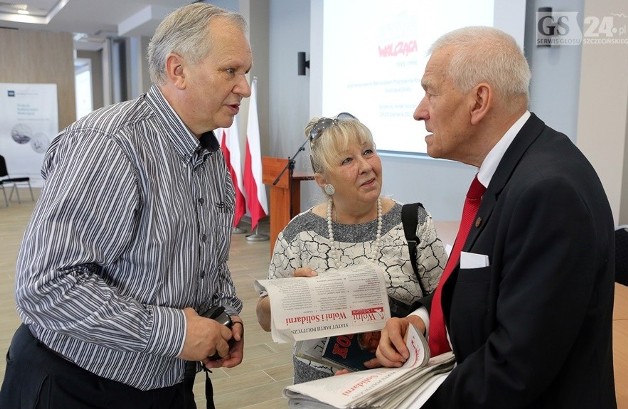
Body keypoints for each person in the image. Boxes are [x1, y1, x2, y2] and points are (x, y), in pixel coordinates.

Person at [0, 3, 251, 409]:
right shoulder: (110, 144)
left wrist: (224, 316)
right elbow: (44, 284)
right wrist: (176, 334)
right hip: (75, 386)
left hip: (166, 383)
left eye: (246, 72)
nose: (245, 87)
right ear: (177, 70)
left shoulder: (209, 155)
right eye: (230, 71)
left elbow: (207, 257)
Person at [375, 26, 617, 408]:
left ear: (479, 101)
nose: (419, 111)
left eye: (431, 92)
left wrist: (405, 403)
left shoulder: (547, 191)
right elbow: (484, 289)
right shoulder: (521, 168)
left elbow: (514, 367)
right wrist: (422, 320)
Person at [255, 113, 447, 383]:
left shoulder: (413, 224)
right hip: (321, 388)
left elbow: (445, 301)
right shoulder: (299, 234)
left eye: (368, 152)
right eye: (347, 160)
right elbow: (264, 320)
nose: (366, 166)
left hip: (399, 382)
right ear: (323, 180)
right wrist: (286, 295)